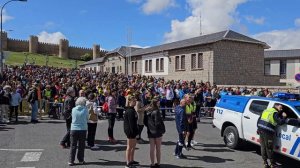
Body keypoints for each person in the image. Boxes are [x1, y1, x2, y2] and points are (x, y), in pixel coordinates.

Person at [257, 104, 287, 168]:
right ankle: (273, 164)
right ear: (276, 106)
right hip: (268, 132)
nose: (281, 109)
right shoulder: (274, 113)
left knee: (263, 147)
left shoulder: (266, 110)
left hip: (261, 130)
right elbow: (280, 122)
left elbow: (259, 120)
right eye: (280, 108)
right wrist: (284, 117)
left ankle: (265, 163)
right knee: (269, 148)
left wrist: (258, 128)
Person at [144, 97, 165, 168]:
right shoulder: (156, 111)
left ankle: (152, 163)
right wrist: (162, 130)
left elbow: (145, 122)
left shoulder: (147, 112)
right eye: (158, 103)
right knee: (158, 148)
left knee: (152, 148)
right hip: (157, 132)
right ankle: (158, 163)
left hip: (150, 131)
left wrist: (149, 127)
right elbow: (158, 123)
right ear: (156, 103)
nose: (159, 104)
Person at [68, 97, 88, 166]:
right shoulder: (85, 110)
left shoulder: (73, 109)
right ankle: (81, 160)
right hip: (82, 129)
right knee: (81, 145)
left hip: (73, 128)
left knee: (73, 145)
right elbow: (87, 118)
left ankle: (71, 160)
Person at [124, 96, 139, 168]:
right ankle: (127, 163)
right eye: (133, 101)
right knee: (129, 147)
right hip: (130, 131)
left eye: (135, 101)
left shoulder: (133, 109)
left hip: (134, 131)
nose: (135, 102)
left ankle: (132, 160)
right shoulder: (129, 111)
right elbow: (131, 124)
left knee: (133, 147)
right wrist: (135, 133)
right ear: (129, 101)